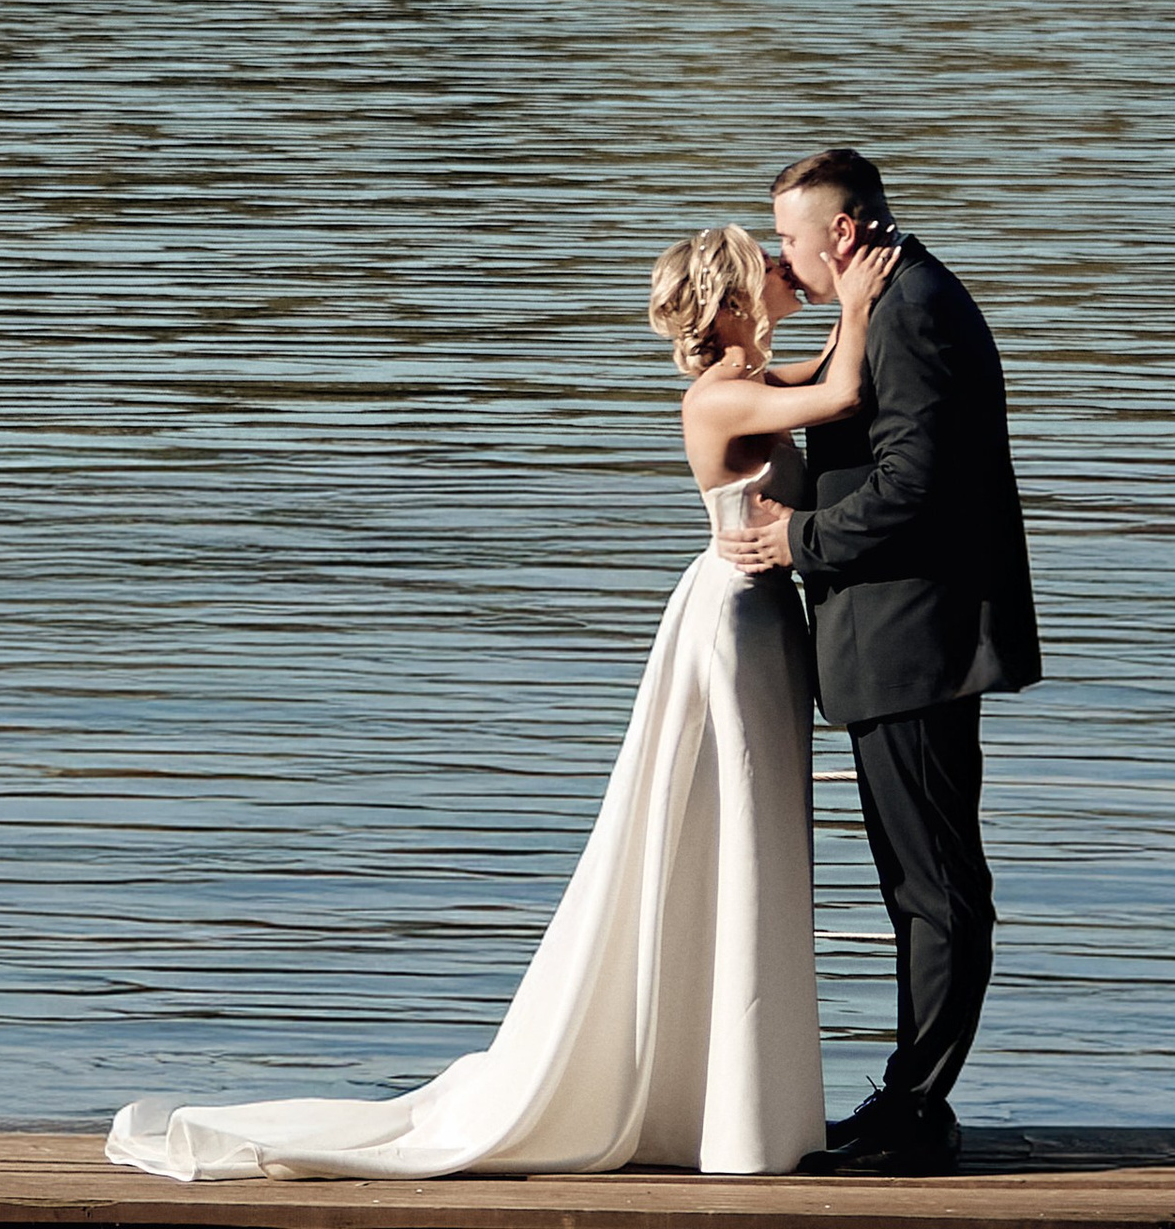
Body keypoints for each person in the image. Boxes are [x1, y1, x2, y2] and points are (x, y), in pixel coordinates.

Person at [105, 220, 897, 1184]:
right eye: (767, 264)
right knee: (728, 821)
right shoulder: (720, 395)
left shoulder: (757, 378)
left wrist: (850, 301)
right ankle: (724, 1106)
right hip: (734, 620)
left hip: (767, 617)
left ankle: (723, 1094)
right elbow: (843, 390)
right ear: (731, 297)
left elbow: (830, 372)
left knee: (749, 832)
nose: (783, 268)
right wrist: (862, 292)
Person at [718, 146, 1041, 1176]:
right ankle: (909, 1097)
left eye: (791, 238)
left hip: (915, 642)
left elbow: (917, 486)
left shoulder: (912, 309)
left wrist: (796, 540)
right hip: (893, 641)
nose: (784, 257)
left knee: (936, 885)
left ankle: (918, 1108)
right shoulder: (889, 303)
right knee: (916, 881)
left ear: (844, 231)